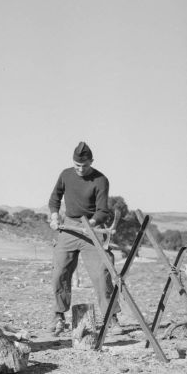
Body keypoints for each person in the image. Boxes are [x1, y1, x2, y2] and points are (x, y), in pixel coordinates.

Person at [48, 142, 123, 335]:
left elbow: (102, 211)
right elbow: (55, 198)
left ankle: (111, 318)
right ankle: (58, 316)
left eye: (85, 166)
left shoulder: (100, 180)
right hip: (69, 227)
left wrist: (91, 224)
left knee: (102, 273)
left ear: (92, 162)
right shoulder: (66, 175)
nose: (80, 169)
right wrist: (54, 216)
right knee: (60, 272)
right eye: (77, 166)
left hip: (92, 229)